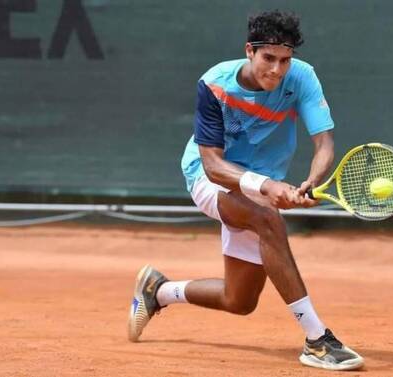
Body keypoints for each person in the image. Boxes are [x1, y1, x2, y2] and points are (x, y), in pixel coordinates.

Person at [127, 10, 364, 371]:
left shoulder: (301, 79)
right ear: (249, 51)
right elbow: (213, 166)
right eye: (269, 58)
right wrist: (267, 187)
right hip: (210, 179)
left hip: (260, 186)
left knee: (239, 299)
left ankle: (158, 291)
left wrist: (311, 182)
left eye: (285, 60)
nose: (277, 69)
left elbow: (324, 145)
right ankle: (318, 340)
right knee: (267, 218)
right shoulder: (214, 84)